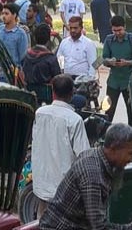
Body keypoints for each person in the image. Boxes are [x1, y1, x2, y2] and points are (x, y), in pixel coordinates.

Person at [39, 124, 132, 230]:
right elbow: (99, 227)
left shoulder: (96, 156)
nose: (131, 159)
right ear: (113, 149)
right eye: (130, 153)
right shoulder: (93, 175)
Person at [32, 74, 90, 217]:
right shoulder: (74, 120)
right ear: (72, 94)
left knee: (42, 222)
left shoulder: (39, 113)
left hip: (42, 186)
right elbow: (85, 157)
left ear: (53, 92)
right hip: (65, 191)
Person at [102, 16, 132, 127]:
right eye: (114, 30)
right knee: (108, 111)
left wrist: (128, 63)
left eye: (119, 30)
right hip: (113, 82)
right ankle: (105, 135)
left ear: (124, 27)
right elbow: (104, 59)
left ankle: (131, 137)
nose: (117, 33)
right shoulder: (109, 40)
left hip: (129, 82)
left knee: (131, 112)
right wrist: (110, 62)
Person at [22, 24, 62, 105]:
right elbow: (58, 79)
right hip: (47, 98)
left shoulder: (27, 55)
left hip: (29, 95)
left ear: (34, 38)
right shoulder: (50, 58)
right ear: (48, 40)